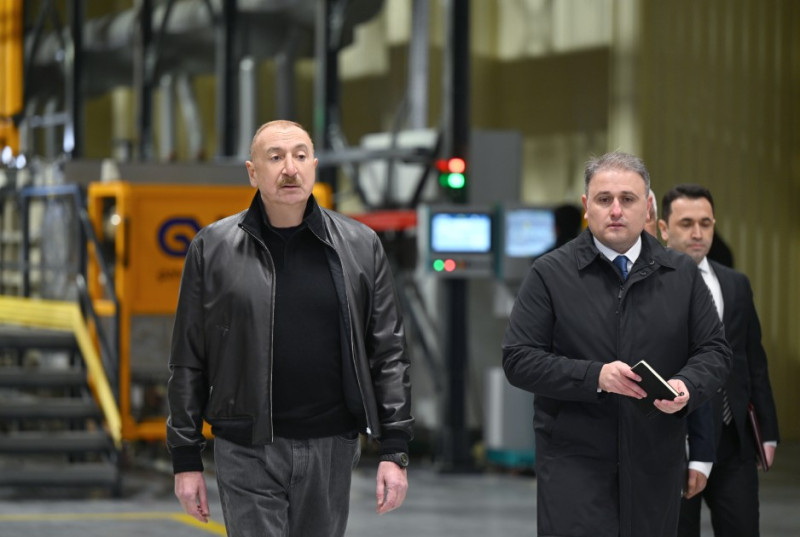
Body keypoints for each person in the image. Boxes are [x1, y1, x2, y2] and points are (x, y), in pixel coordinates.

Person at [166, 120, 414, 536]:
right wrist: (185, 457)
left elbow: (388, 352)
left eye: (300, 156)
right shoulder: (212, 249)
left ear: (314, 166)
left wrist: (395, 448)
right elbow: (188, 358)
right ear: (252, 172)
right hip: (246, 447)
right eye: (276, 157)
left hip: (331, 448)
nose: (289, 168)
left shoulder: (360, 246)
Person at [502, 151, 731, 537]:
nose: (616, 210)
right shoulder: (549, 274)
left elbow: (715, 351)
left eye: (628, 199)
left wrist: (687, 385)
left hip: (655, 463)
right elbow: (518, 358)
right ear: (586, 205)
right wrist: (595, 376)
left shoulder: (682, 276)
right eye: (604, 199)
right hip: (574, 465)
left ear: (648, 207)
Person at [659, 184, 780, 537]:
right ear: (664, 229)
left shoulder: (735, 284)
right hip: (675, 439)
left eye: (706, 223)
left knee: (742, 527)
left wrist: (768, 432)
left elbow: (753, 359)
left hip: (733, 437)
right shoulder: (649, 285)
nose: (698, 233)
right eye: (686, 223)